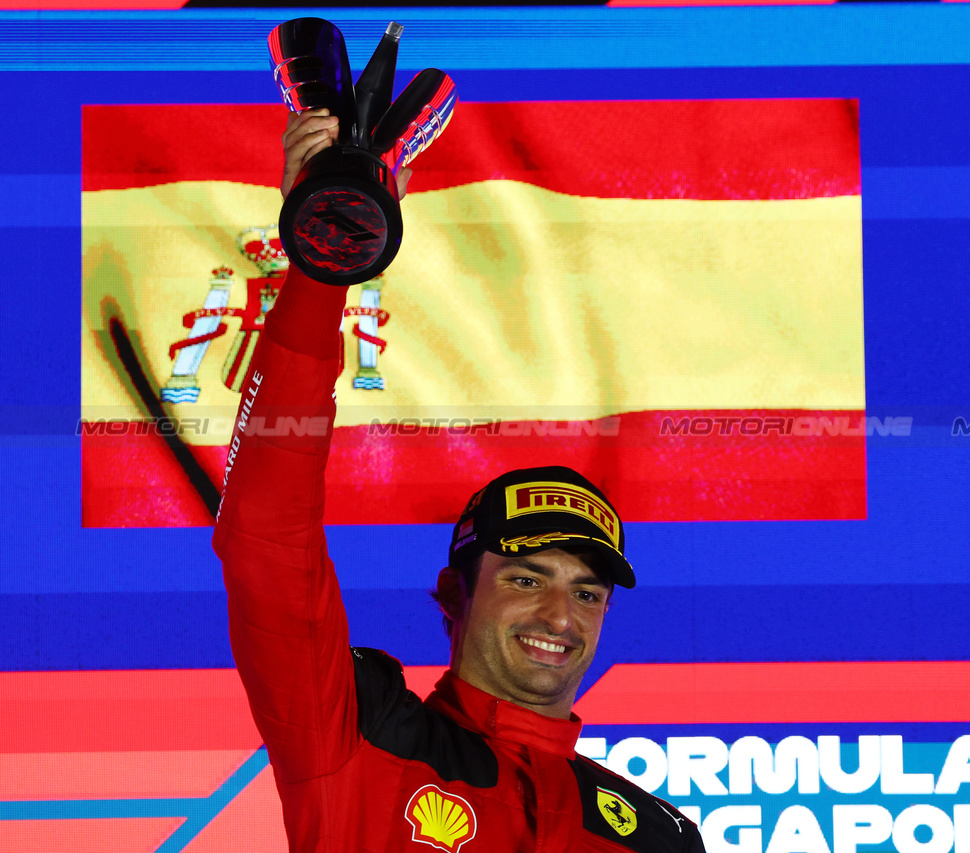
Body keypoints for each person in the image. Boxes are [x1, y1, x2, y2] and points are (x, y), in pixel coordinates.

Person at [213, 108, 705, 853]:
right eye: (527, 577)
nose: (559, 617)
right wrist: (321, 268)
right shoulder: (358, 732)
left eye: (588, 590)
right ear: (453, 596)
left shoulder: (655, 836)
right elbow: (266, 540)